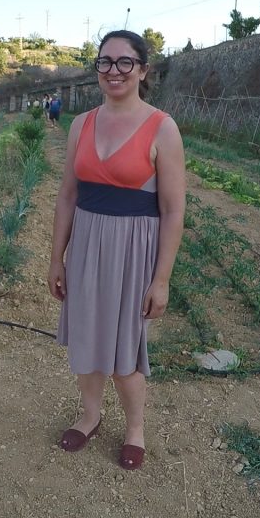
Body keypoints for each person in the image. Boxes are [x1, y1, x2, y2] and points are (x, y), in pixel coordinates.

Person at [47, 30, 186, 471]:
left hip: (133, 249)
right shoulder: (80, 124)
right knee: (88, 336)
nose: (114, 71)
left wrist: (160, 279)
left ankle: (135, 430)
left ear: (143, 70)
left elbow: (172, 209)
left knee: (126, 347)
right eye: (105, 62)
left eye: (125, 62)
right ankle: (89, 416)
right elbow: (68, 195)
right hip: (87, 243)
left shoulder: (162, 127)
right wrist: (57, 258)